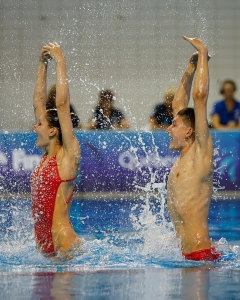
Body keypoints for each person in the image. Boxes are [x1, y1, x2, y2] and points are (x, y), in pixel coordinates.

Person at [166, 36, 221, 262]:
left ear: (189, 132)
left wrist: (203, 54)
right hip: (185, 254)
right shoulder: (183, 157)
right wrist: (190, 67)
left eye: (175, 125)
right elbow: (179, 105)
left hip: (200, 254)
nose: (169, 128)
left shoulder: (200, 153)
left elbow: (199, 98)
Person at [31, 42, 81, 261]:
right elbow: (38, 102)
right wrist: (42, 64)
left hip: (64, 243)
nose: (34, 126)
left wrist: (60, 61)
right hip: (45, 246)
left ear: (53, 131)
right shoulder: (46, 157)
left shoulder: (67, 156)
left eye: (39, 125)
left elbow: (62, 105)